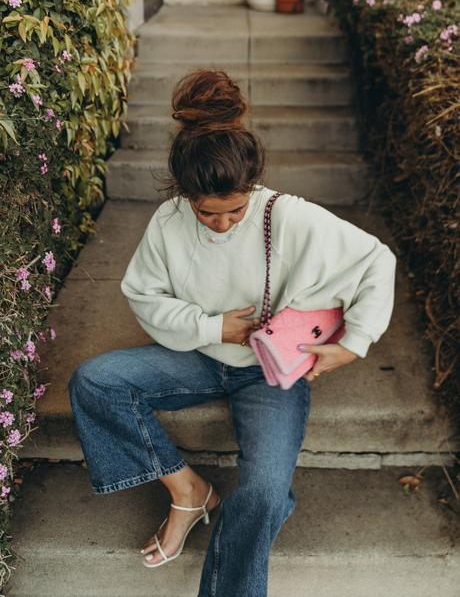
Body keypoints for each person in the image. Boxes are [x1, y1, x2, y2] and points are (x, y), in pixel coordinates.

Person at [68, 68, 397, 597]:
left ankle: (251, 522)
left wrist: (353, 344)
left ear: (252, 188)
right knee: (94, 381)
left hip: (268, 375)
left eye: (235, 212)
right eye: (207, 214)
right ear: (186, 194)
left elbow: (376, 259)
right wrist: (212, 325)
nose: (222, 224)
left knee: (265, 491)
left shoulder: (286, 215)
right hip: (197, 357)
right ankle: (188, 489)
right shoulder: (169, 221)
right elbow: (142, 294)